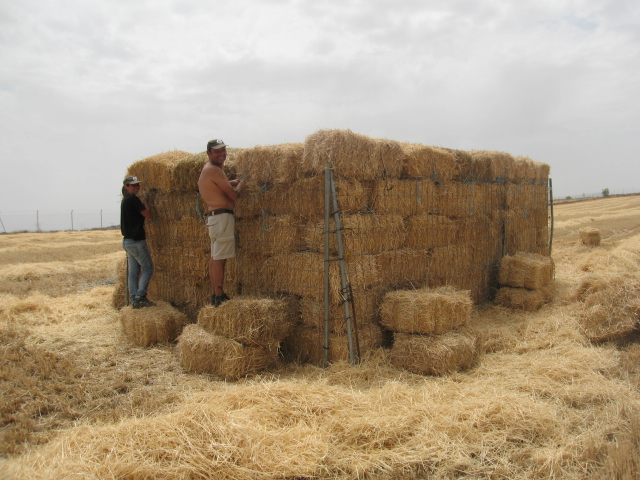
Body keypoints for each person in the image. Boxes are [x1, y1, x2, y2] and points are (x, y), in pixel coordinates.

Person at [197, 139, 246, 306]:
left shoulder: (209, 169)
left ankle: (215, 293)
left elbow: (218, 187)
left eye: (223, 150)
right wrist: (241, 186)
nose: (222, 154)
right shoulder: (214, 170)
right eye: (217, 151)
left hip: (215, 218)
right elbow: (233, 195)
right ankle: (219, 295)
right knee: (219, 258)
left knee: (215, 257)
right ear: (209, 153)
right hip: (221, 218)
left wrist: (230, 182)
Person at [121, 175, 156, 309]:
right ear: (126, 187)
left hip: (127, 242)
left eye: (137, 185)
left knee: (133, 273)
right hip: (137, 242)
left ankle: (133, 299)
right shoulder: (134, 199)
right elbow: (147, 214)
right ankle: (141, 296)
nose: (136, 187)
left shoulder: (125, 201)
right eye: (133, 185)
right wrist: (146, 201)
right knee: (148, 268)